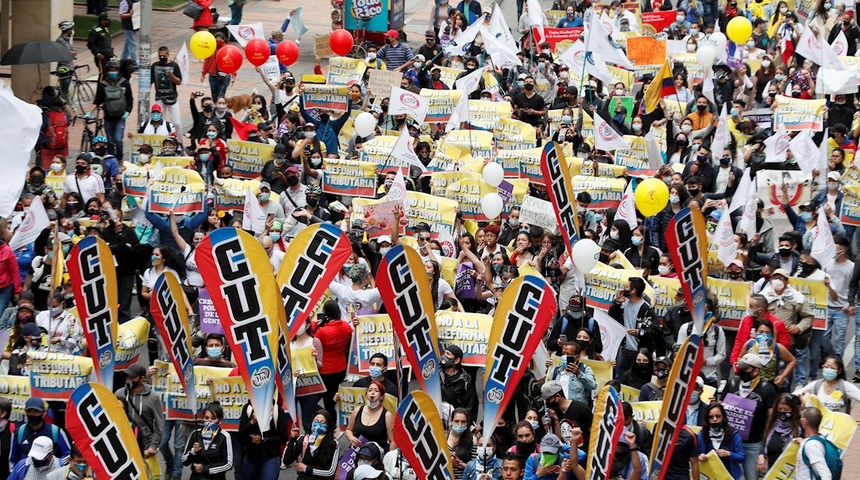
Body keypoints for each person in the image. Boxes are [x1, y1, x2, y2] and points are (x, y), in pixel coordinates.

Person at [720, 353, 778, 480]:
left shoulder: (767, 389)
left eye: (746, 368)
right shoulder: (732, 383)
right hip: (731, 441)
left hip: (753, 444)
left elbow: (771, 422)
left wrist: (763, 451)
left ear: (756, 371)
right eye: (741, 367)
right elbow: (720, 408)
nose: (742, 371)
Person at [609, 278, 661, 377]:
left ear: (633, 291)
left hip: (639, 354)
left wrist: (639, 332)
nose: (624, 289)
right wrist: (616, 303)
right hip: (624, 351)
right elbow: (612, 318)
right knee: (620, 379)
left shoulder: (646, 309)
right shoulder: (623, 303)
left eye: (627, 287)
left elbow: (655, 330)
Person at [312, 300, 354, 421]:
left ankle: (326, 420)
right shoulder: (346, 327)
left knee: (312, 401)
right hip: (341, 369)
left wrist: (315, 322)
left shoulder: (322, 332)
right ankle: (330, 422)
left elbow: (313, 339)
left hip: (325, 371)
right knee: (330, 400)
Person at [115, 364, 165, 459]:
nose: (128, 379)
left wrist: (153, 445)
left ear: (142, 378)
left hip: (145, 445)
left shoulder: (153, 397)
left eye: (132, 377)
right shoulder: (119, 393)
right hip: (123, 442)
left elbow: (160, 424)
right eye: (127, 376)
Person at [87, 59, 133, 161]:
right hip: (108, 117)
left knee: (118, 139)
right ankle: (111, 158)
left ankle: (120, 158)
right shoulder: (103, 85)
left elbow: (130, 99)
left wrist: (127, 112)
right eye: (110, 70)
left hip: (120, 117)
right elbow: (97, 100)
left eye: (114, 70)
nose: (112, 72)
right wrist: (89, 112)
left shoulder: (124, 83)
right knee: (110, 140)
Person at [8, 397, 71, 466]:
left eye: (36, 411)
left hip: (50, 473)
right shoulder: (19, 432)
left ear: (43, 412)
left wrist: (56, 466)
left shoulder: (55, 431)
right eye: (29, 411)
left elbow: (67, 454)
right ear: (25, 412)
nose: (32, 414)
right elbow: (13, 459)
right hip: (26, 474)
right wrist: (18, 474)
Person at [282, 410, 339, 480]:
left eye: (322, 422)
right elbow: (286, 461)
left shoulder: (333, 443)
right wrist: (292, 439)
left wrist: (306, 469)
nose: (318, 425)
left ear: (328, 425)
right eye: (316, 421)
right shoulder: (304, 440)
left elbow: (330, 471)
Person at [182, 402, 234, 480]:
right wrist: (193, 452)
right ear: (203, 418)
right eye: (206, 418)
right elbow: (184, 461)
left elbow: (228, 464)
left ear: (219, 420)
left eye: (213, 418)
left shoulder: (224, 436)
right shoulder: (195, 434)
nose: (209, 421)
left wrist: (205, 469)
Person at [793, 355, 860, 414]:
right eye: (826, 367)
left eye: (832, 368)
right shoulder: (816, 385)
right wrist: (801, 398)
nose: (829, 370)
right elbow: (795, 395)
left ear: (839, 370)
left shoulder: (845, 386)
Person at [540, 381, 593, 452]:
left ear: (558, 397)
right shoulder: (555, 413)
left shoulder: (581, 408)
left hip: (584, 453)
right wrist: (555, 421)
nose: (547, 403)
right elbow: (558, 441)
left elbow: (593, 430)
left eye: (548, 400)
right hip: (567, 455)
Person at [697, 403, 745, 480]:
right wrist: (699, 456)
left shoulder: (733, 434)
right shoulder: (701, 435)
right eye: (711, 417)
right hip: (708, 475)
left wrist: (729, 454)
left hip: (730, 475)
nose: (715, 419)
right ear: (707, 419)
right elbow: (695, 455)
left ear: (723, 417)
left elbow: (742, 457)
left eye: (718, 416)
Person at [759, 393, 803, 474]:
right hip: (773, 471)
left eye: (786, 410)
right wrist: (761, 455)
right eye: (779, 409)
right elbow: (764, 442)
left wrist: (802, 442)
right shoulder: (772, 424)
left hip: (791, 473)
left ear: (793, 410)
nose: (782, 412)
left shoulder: (800, 427)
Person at [345, 381, 396, 451]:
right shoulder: (357, 410)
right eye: (370, 390)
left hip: (376, 455)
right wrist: (351, 437)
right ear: (366, 395)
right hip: (357, 451)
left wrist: (390, 457)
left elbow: (392, 440)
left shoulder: (387, 415)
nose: (372, 392)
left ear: (381, 397)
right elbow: (348, 430)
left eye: (376, 390)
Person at [796, 407, 841, 480]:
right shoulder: (820, 439)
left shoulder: (811, 446)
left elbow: (826, 475)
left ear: (804, 421)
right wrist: (802, 442)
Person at [547, 341, 596, 406]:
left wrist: (579, 374)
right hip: (558, 412)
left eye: (568, 354)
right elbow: (549, 393)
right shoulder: (556, 371)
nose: (564, 356)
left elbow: (593, 386)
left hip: (577, 412)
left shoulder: (585, 369)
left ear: (577, 357)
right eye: (563, 354)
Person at [441, 345, 479, 422]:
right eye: (444, 353)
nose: (444, 356)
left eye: (448, 354)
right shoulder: (435, 373)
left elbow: (468, 406)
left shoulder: (464, 381)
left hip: (453, 421)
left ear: (456, 360)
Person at [151, 46, 183, 135]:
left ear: (168, 55)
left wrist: (171, 76)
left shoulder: (174, 66)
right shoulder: (155, 66)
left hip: (172, 96)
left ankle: (179, 141)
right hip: (159, 96)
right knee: (160, 121)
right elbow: (150, 80)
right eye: (160, 56)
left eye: (164, 56)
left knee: (177, 122)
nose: (162, 58)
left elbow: (179, 82)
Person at [448, 408, 477, 480]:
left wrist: (463, 465)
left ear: (467, 423)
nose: (459, 424)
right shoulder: (443, 438)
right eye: (456, 421)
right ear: (451, 421)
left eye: (463, 422)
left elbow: (476, 467)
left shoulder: (472, 440)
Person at [86, 12, 113, 80]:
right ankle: (100, 89)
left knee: (107, 74)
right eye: (107, 20)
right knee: (103, 74)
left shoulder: (105, 29)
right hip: (101, 57)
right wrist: (98, 54)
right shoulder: (95, 31)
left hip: (107, 55)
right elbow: (91, 44)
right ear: (102, 21)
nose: (108, 22)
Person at [55, 20, 77, 97]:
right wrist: (71, 52)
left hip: (69, 67)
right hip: (64, 68)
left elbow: (74, 51)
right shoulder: (60, 41)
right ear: (68, 30)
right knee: (63, 91)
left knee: (65, 91)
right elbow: (66, 52)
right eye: (71, 29)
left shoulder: (66, 40)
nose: (72, 31)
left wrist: (71, 52)